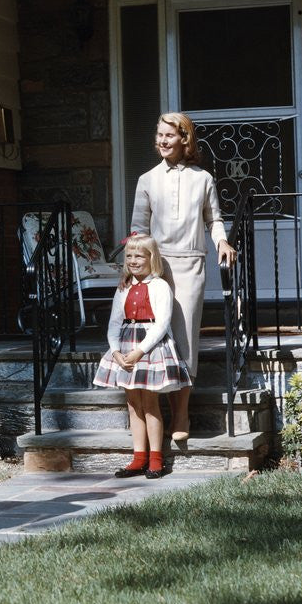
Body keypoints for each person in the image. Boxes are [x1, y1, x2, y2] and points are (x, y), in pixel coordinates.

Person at [130, 111, 236, 443]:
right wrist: (136, 269)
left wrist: (221, 240)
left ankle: (181, 412)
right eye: (159, 135)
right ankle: (154, 412)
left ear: (184, 140)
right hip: (157, 269)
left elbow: (213, 218)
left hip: (191, 264)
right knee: (158, 338)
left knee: (185, 338)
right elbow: (137, 230)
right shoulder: (146, 180)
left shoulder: (202, 178)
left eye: (169, 135)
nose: (162, 140)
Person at [93, 233, 191, 479]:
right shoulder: (124, 287)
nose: (133, 260)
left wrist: (139, 351)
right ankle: (138, 457)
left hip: (149, 348)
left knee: (149, 404)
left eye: (139, 256)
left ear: (151, 258)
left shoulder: (159, 286)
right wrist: (115, 351)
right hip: (125, 346)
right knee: (132, 404)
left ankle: (156, 459)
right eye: (129, 256)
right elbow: (115, 322)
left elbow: (161, 324)